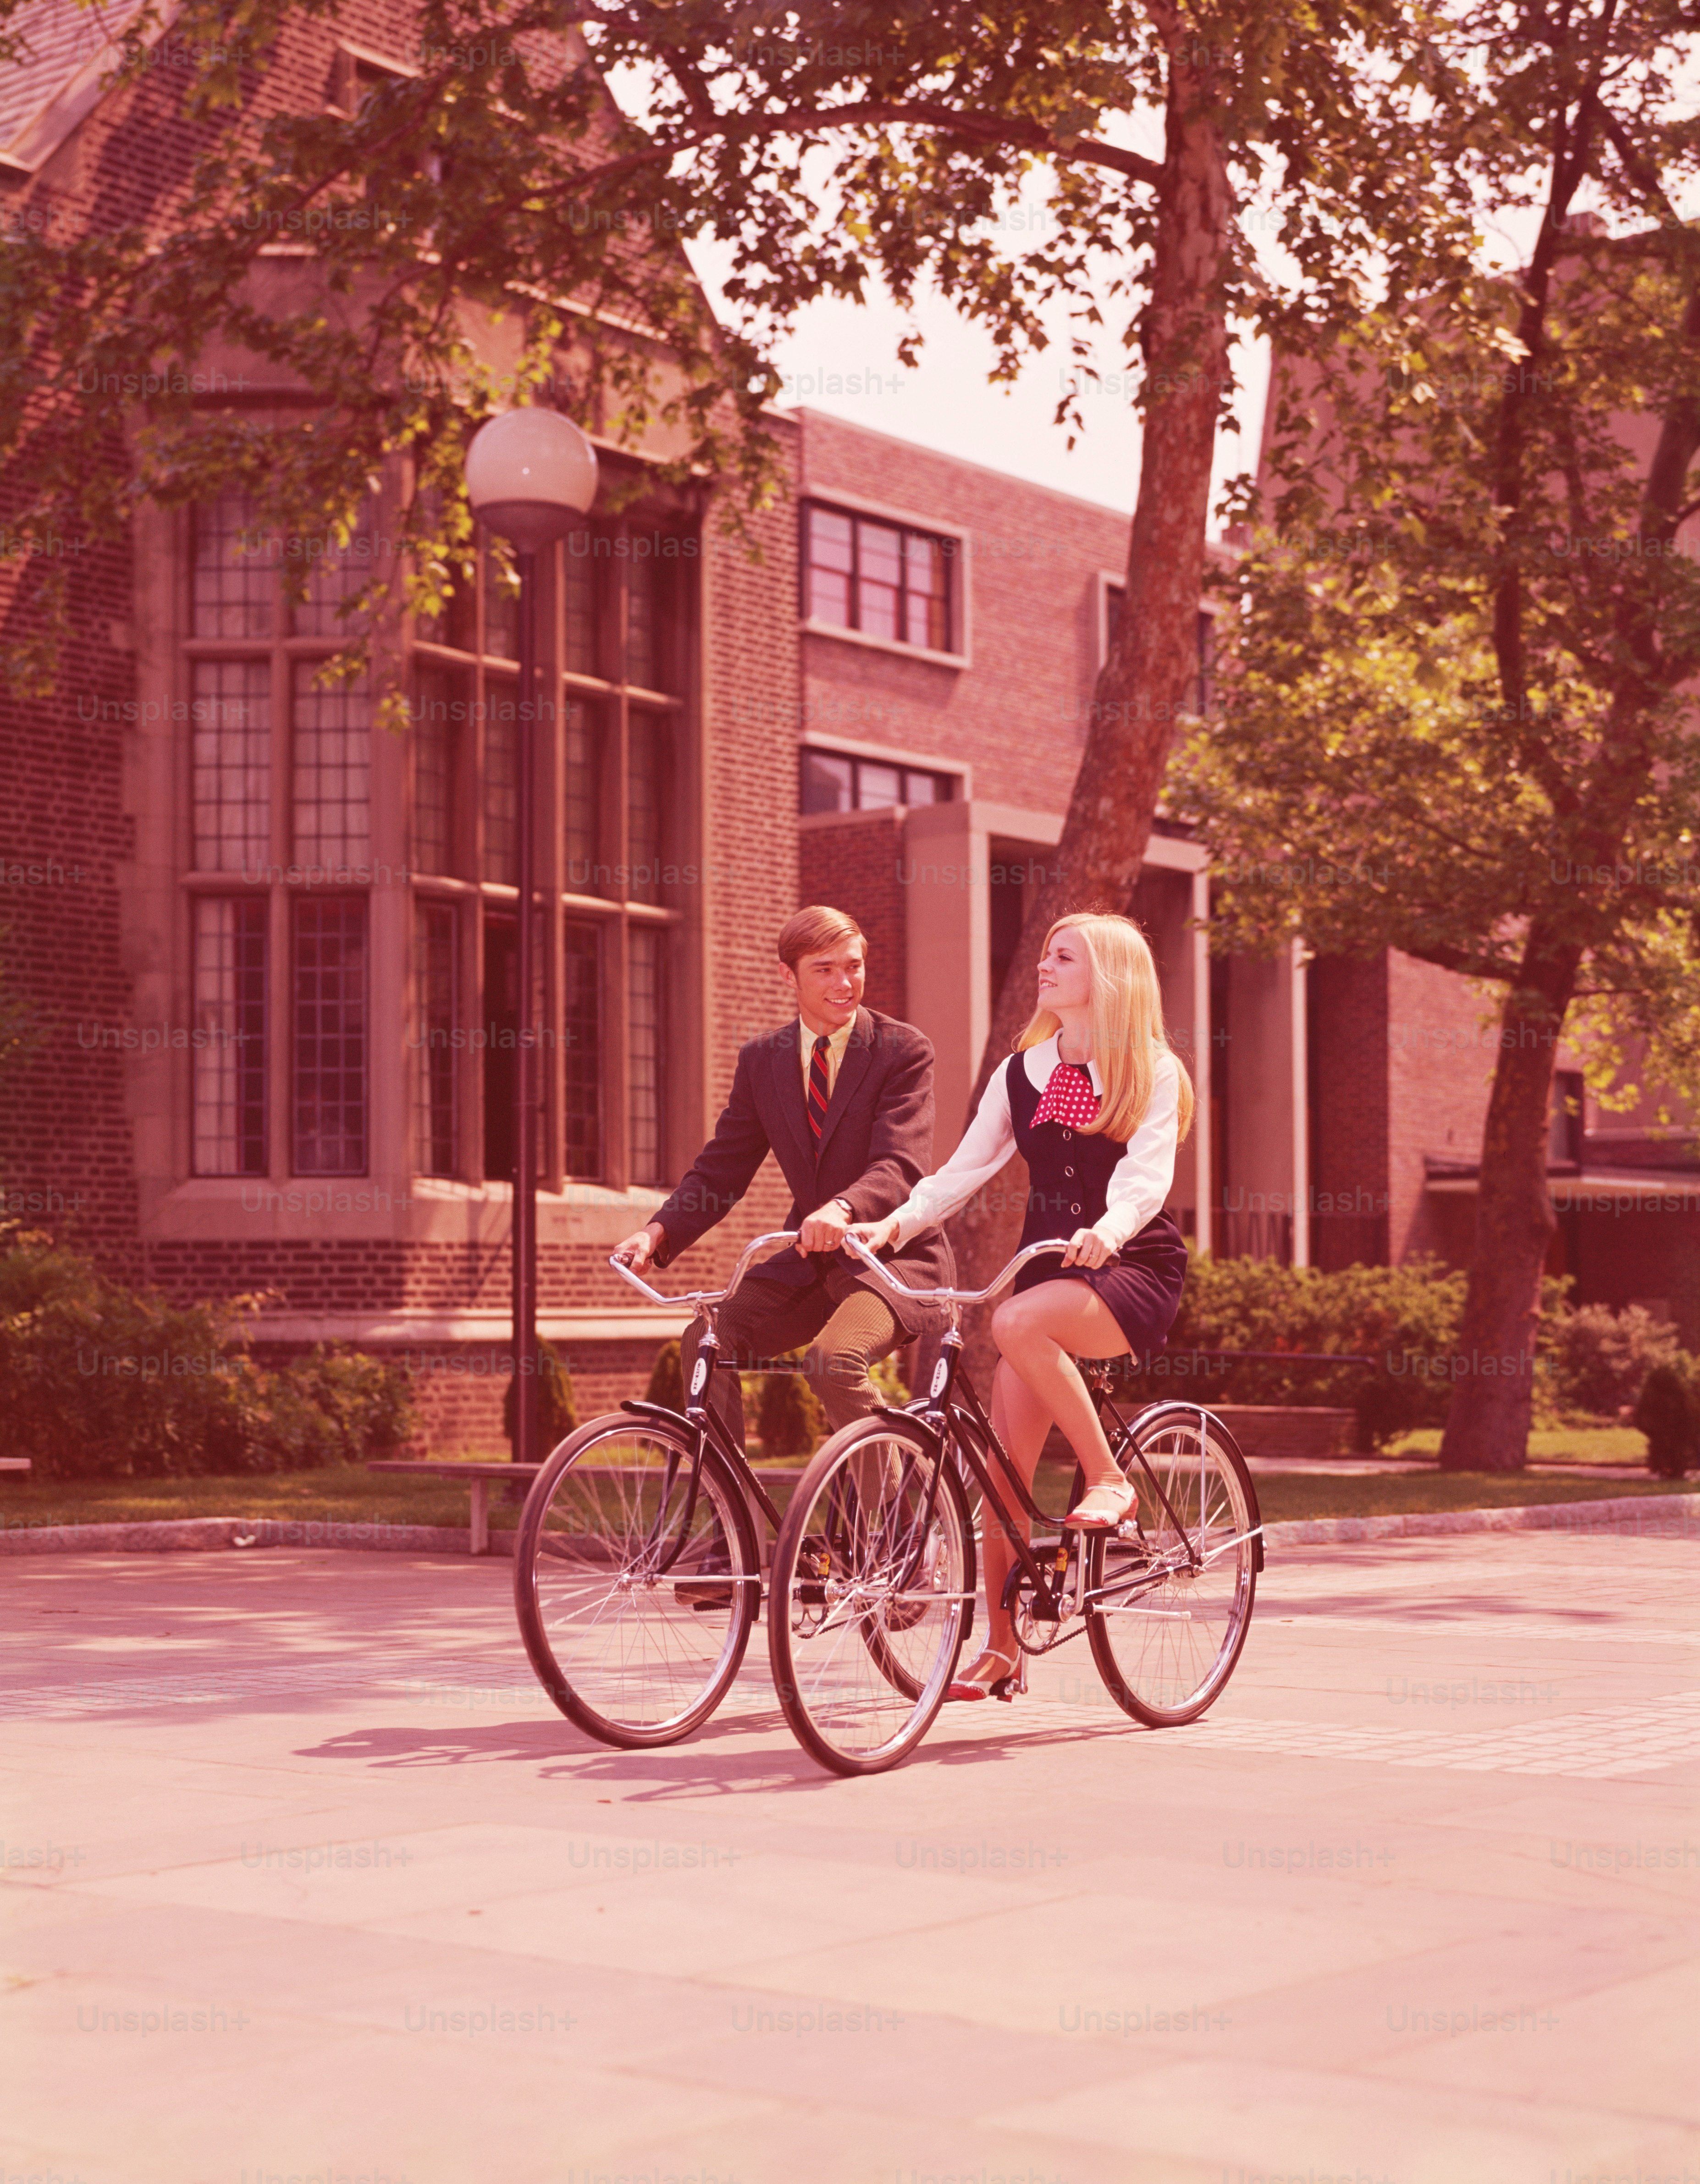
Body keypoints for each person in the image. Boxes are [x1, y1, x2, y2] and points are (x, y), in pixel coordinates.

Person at [847, 910, 1194, 1700]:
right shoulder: (1023, 1072)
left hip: (1128, 1265)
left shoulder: (1151, 1068)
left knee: (1011, 1322)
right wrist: (893, 1222)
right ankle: (1001, 1648)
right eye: (1043, 952)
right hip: (1047, 1272)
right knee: (1000, 1470)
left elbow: (1145, 1176)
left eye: (1062, 955)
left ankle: (1109, 1477)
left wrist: (1106, 1231)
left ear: (1107, 975)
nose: (1044, 964)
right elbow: (960, 1169)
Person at [613, 905, 953, 1470]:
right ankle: (736, 1520)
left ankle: (893, 1529)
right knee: (707, 1338)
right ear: (787, 975)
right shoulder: (762, 1061)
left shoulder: (902, 1050)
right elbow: (722, 1168)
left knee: (832, 1360)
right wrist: (656, 1233)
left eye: (854, 966)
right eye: (824, 969)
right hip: (810, 1263)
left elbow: (901, 1163)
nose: (844, 983)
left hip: (892, 1261)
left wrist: (844, 1207)